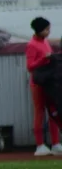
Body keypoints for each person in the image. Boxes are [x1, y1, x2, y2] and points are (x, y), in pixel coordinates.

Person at [26, 17, 62, 156]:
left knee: (53, 111)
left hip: (49, 81)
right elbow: (30, 66)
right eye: (46, 29)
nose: (48, 32)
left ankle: (55, 143)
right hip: (38, 83)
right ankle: (40, 144)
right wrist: (44, 58)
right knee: (39, 112)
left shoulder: (45, 42)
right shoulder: (31, 45)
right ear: (39, 30)